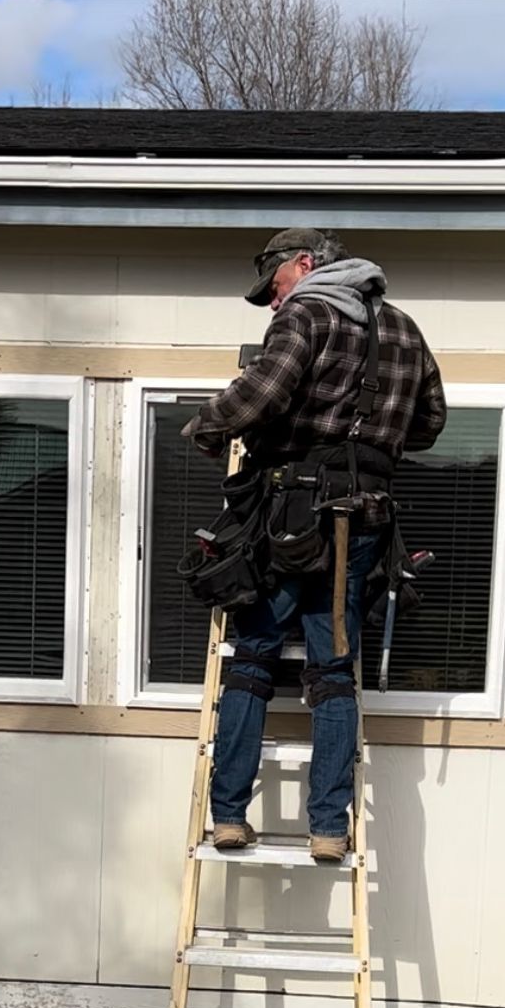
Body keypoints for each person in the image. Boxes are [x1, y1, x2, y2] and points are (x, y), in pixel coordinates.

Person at [182, 227, 445, 861]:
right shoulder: (405, 329)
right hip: (365, 520)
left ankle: (229, 816)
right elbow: (430, 423)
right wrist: (369, 439)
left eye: (273, 288)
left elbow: (261, 395)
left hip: (290, 516)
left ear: (304, 264)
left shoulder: (307, 314)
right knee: (331, 672)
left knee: (253, 657)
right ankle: (329, 827)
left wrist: (207, 425)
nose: (273, 304)